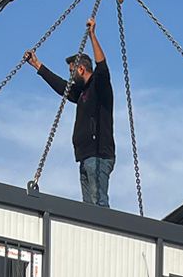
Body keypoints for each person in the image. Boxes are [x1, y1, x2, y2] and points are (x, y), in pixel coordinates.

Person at [24, 17, 116, 207]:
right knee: (88, 208)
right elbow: (62, 87)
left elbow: (102, 67)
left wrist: (92, 35)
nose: (71, 77)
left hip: (98, 154)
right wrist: (37, 65)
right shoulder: (81, 92)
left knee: (98, 204)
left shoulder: (99, 87)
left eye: (72, 72)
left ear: (81, 69)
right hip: (85, 156)